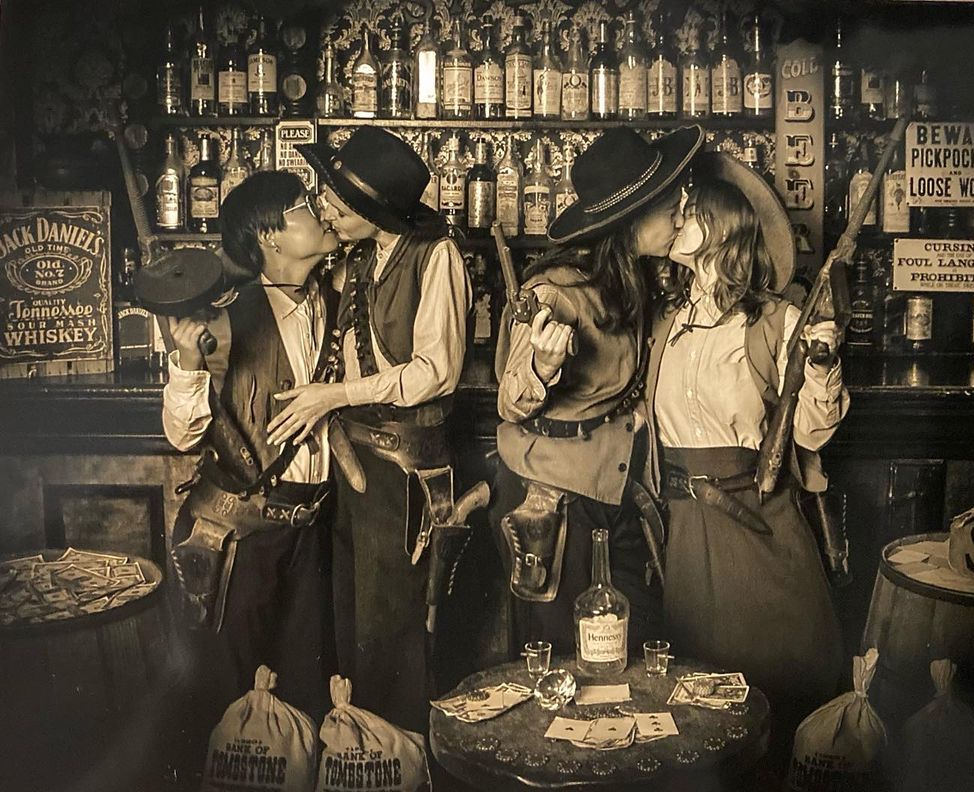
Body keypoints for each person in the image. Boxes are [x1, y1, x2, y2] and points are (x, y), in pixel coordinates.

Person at [267, 127, 472, 732]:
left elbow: (436, 372)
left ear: (375, 210)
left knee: (394, 635)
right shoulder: (360, 256)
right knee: (353, 627)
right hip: (354, 466)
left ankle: (398, 756)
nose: (325, 210)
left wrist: (334, 396)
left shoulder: (437, 256)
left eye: (337, 202)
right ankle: (359, 754)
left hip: (404, 469)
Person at [646, 151, 848, 722]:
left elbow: (811, 432)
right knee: (698, 706)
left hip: (758, 524)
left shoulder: (776, 321)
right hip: (686, 532)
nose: (677, 219)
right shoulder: (666, 322)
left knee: (773, 695)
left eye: (690, 211)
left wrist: (820, 365)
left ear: (723, 225)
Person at [494, 125, 704, 657]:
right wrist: (542, 365)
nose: (680, 216)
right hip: (558, 503)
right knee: (564, 655)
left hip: (615, 491)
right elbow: (510, 399)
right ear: (631, 219)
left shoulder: (630, 279)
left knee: (630, 646)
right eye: (669, 208)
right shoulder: (553, 292)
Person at [162, 170, 340, 722]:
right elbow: (182, 435)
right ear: (269, 236)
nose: (320, 212)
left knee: (304, 703)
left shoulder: (339, 303)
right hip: (239, 536)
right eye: (303, 206)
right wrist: (187, 361)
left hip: (311, 532)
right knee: (231, 705)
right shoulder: (224, 318)